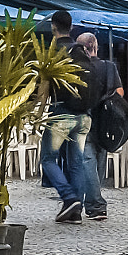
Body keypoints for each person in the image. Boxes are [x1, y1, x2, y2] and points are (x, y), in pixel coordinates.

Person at [41, 33, 97, 223]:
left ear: (53, 27)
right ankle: (75, 212)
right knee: (77, 162)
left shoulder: (55, 53)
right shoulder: (84, 57)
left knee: (48, 158)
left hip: (62, 114)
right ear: (71, 27)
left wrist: (39, 111)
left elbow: (45, 85)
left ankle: (69, 198)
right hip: (84, 117)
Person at [77, 35, 122, 221]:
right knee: (99, 159)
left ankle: (96, 205)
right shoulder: (109, 67)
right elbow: (120, 92)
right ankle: (93, 203)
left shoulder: (79, 68)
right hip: (106, 120)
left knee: (88, 161)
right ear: (96, 46)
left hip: (86, 117)